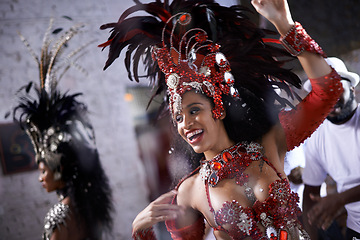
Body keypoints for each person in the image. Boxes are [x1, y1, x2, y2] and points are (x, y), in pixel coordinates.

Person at [99, 0, 343, 239]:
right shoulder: (189, 191)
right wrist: (141, 230)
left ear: (219, 107)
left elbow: (328, 91)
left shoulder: (269, 143)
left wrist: (284, 24)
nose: (186, 124)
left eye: (194, 110)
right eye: (178, 117)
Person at [13, 19, 114, 240]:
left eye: (43, 171)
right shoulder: (89, 208)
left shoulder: (60, 215)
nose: (40, 178)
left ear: (58, 169)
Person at [301, 57, 360, 240]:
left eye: (335, 87)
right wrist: (311, 236)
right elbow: (311, 192)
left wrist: (340, 199)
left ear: (352, 89)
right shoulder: (316, 136)